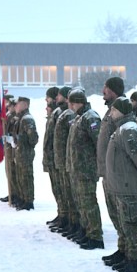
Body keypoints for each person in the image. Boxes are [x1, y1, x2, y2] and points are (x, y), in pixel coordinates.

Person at [104, 96, 137, 272]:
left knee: (131, 224)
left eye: (114, 110)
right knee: (124, 223)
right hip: (121, 185)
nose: (111, 113)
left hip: (128, 186)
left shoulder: (128, 130)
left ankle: (134, 260)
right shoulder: (121, 128)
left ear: (122, 111)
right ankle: (125, 254)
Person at [67, 88, 104, 250]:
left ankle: (95, 236)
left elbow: (99, 142)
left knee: (89, 202)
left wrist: (97, 165)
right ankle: (87, 231)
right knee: (81, 202)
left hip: (86, 170)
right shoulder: (79, 118)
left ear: (76, 102)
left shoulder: (91, 117)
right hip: (78, 169)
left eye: (71, 102)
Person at [98, 77, 125, 264]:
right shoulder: (110, 110)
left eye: (106, 88)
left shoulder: (121, 109)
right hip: (107, 171)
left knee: (123, 215)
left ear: (114, 90)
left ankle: (129, 253)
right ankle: (122, 249)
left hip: (116, 172)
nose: (103, 91)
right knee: (115, 213)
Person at [52, 87, 81, 239]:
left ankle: (77, 224)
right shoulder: (65, 113)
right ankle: (68, 220)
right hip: (63, 160)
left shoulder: (70, 115)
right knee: (64, 193)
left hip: (70, 162)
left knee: (73, 195)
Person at [47, 87, 73, 232]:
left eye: (59, 95)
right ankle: (63, 216)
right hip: (57, 159)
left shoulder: (66, 114)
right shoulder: (59, 112)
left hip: (65, 160)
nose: (56, 98)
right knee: (60, 190)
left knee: (67, 192)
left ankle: (70, 220)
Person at [13, 97, 39, 211]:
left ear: (25, 105)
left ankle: (28, 200)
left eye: (18, 104)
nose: (16, 106)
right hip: (20, 152)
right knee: (20, 177)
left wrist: (24, 142)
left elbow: (33, 138)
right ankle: (23, 198)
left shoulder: (27, 119)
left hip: (25, 153)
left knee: (26, 178)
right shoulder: (20, 118)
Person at [43, 87, 61, 223]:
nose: (46, 100)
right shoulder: (53, 114)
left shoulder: (59, 114)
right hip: (53, 159)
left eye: (48, 97)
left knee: (63, 192)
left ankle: (67, 217)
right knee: (57, 190)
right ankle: (62, 215)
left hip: (58, 160)